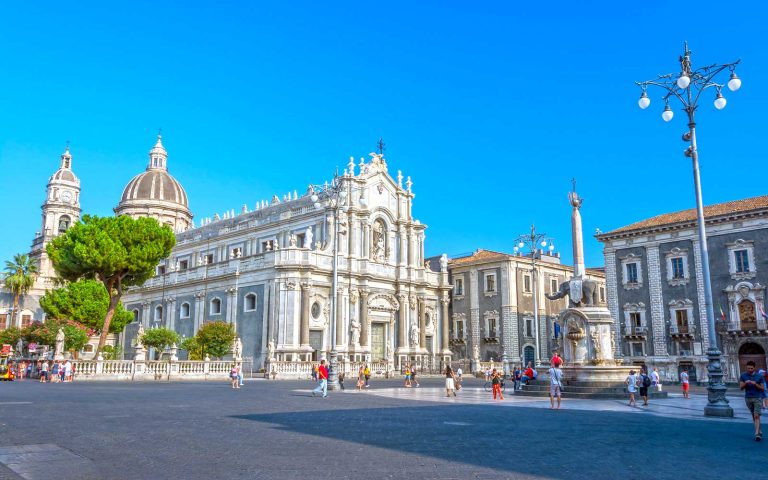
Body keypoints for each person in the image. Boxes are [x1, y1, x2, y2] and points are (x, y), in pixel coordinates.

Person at [740, 360, 765, 441]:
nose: (750, 370)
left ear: (754, 368)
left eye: (751, 368)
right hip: (748, 398)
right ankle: (759, 430)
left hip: (758, 397)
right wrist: (745, 383)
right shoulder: (743, 376)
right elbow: (741, 388)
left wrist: (755, 384)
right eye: (748, 368)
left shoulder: (759, 376)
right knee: (754, 415)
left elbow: (762, 388)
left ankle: (757, 433)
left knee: (756, 415)